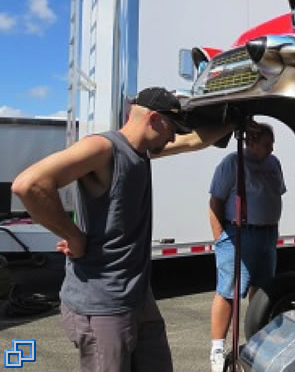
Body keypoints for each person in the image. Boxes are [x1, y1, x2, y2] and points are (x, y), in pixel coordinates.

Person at [11, 87, 233, 372]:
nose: (174, 137)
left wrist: (234, 123)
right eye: (172, 128)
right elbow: (29, 184)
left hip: (138, 296)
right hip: (103, 303)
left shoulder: (141, 152)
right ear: (154, 119)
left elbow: (193, 142)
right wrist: (72, 235)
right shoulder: (104, 148)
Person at [208, 122, 286, 372]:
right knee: (228, 291)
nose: (271, 149)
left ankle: (257, 341)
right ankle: (218, 349)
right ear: (250, 141)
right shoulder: (233, 163)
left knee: (263, 292)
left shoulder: (274, 164)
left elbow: (275, 195)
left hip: (267, 234)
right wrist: (220, 238)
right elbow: (215, 201)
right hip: (238, 234)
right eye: (266, 144)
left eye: (272, 143)